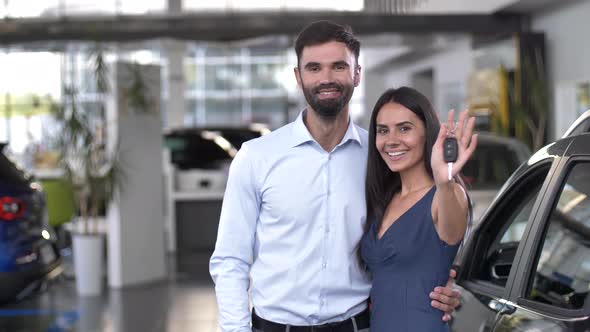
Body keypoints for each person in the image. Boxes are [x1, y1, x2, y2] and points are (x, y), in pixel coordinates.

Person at [210, 21, 461, 332]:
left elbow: (421, 232)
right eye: (314, 68)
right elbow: (230, 259)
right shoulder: (257, 156)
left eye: (338, 66)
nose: (326, 78)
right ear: (298, 78)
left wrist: (446, 286)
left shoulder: (383, 157)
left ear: (357, 73)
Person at [360, 87, 477, 331]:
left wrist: (443, 179)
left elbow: (452, 231)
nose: (391, 140)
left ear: (427, 133)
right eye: (383, 131)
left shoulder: (445, 194)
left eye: (404, 128)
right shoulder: (384, 197)